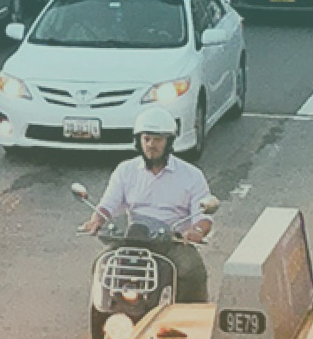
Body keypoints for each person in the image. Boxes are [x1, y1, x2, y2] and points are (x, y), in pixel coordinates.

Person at [80, 106, 216, 301]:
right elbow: (107, 204)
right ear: (139, 141)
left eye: (158, 139)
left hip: (173, 243)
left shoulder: (191, 175)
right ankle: (104, 313)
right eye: (147, 139)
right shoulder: (125, 170)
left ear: (169, 142)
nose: (151, 145)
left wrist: (197, 231)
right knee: (101, 264)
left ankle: (189, 320)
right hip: (133, 240)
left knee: (192, 271)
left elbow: (204, 216)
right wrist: (96, 220)